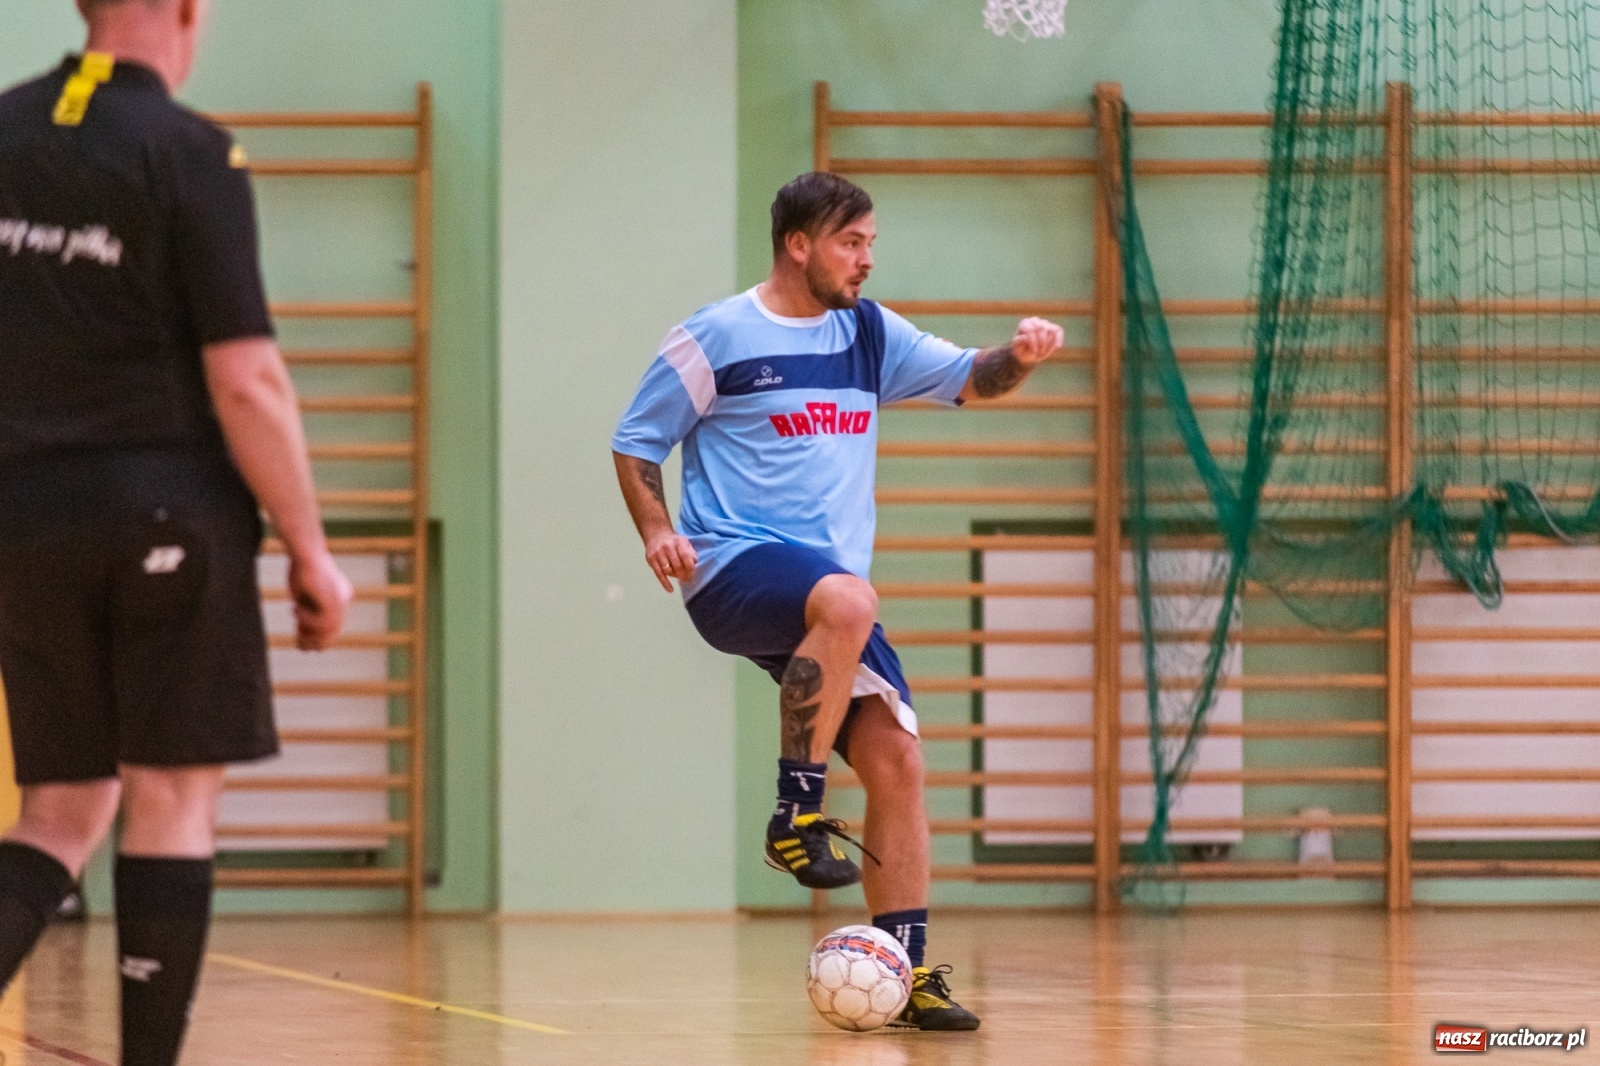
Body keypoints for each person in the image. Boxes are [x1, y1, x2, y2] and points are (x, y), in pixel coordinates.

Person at [613, 171, 1063, 1031]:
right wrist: (654, 531)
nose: (864, 260)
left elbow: (973, 379)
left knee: (898, 760)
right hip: (731, 566)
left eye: (870, 245)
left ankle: (907, 971)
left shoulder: (868, 333)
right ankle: (796, 813)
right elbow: (636, 442)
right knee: (851, 602)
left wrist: (1023, 358)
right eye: (851, 243)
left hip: (827, 597)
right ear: (799, 244)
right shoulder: (715, 338)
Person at [0, 2, 352, 1063]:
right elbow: (246, 378)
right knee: (169, 799)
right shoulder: (192, 151)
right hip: (165, 515)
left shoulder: (6, 131)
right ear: (184, 11)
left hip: (22, 520)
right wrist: (309, 545)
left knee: (60, 808)